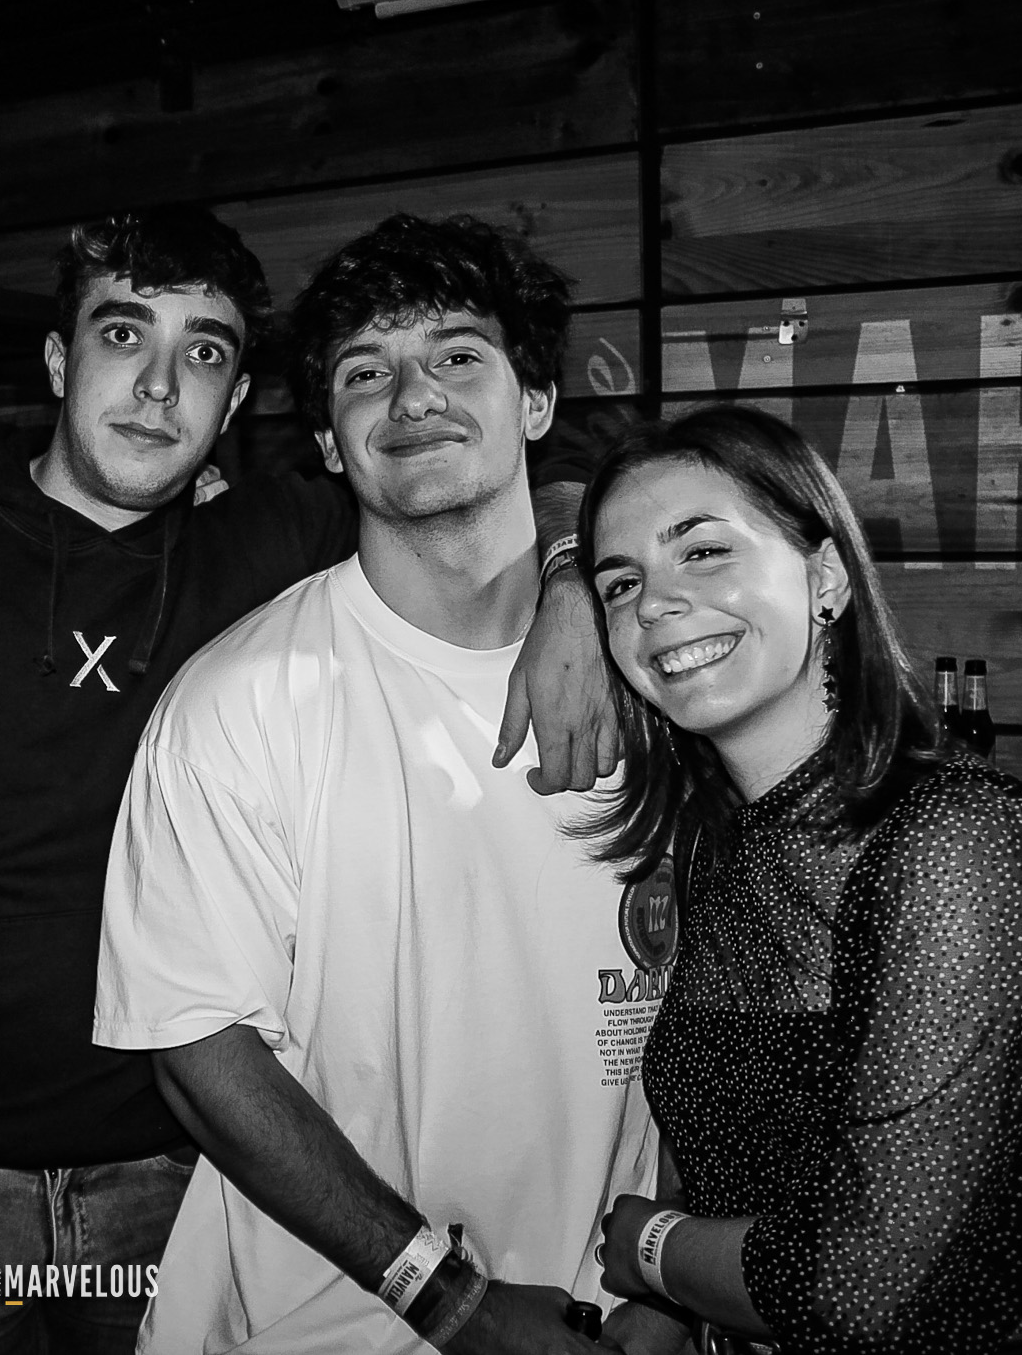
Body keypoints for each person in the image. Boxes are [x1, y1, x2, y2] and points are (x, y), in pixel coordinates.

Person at [0, 206, 617, 1354]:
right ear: (57, 358)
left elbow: (518, 468)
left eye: (201, 352)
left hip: (165, 1184)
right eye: (122, 336)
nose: (158, 387)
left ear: (237, 398)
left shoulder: (267, 540)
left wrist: (576, 583)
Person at [91, 212, 678, 1355]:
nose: (413, 396)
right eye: (366, 373)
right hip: (326, 1328)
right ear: (325, 440)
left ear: (536, 404)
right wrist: (446, 1299)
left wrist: (666, 1282)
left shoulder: (662, 677)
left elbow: (717, 999)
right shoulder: (237, 705)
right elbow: (199, 1056)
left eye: (457, 355)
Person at [580, 406, 1022, 1354]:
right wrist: (666, 1313)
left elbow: (873, 1290)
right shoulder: (726, 847)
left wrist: (654, 1252)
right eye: (621, 583)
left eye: (703, 551)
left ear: (824, 580)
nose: (654, 604)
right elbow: (735, 1144)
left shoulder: (957, 847)